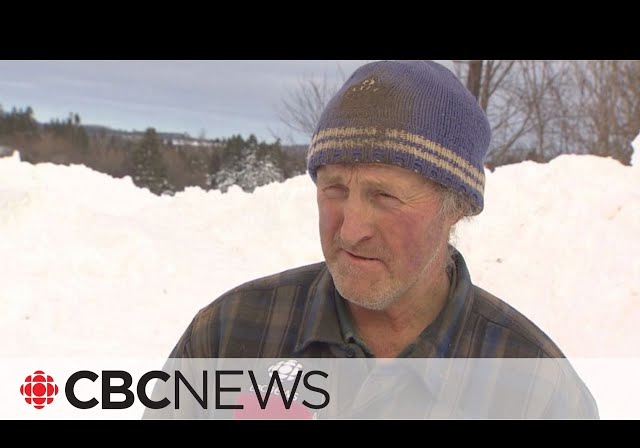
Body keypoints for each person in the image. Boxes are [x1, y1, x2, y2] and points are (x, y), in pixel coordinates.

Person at [147, 60, 598, 419]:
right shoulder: (232, 332)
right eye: (335, 190)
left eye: (384, 196)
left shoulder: (536, 389)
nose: (350, 229)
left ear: (456, 206)